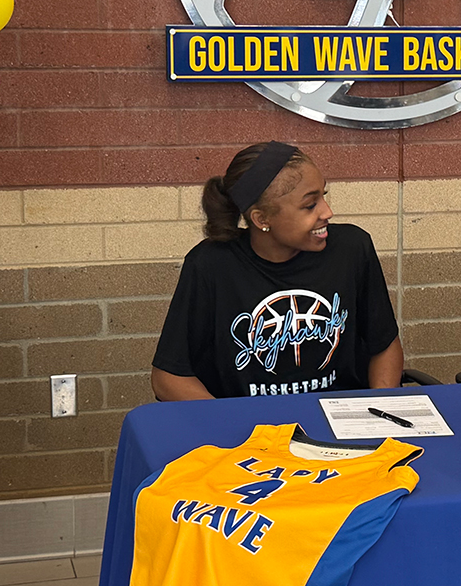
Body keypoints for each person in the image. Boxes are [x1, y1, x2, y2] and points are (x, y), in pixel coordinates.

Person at [151, 141, 403, 400]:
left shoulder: (352, 249)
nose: (327, 212)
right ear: (262, 219)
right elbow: (168, 377)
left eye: (323, 196)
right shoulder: (211, 265)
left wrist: (378, 411)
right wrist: (233, 425)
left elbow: (384, 346)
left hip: (339, 422)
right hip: (252, 430)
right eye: (309, 205)